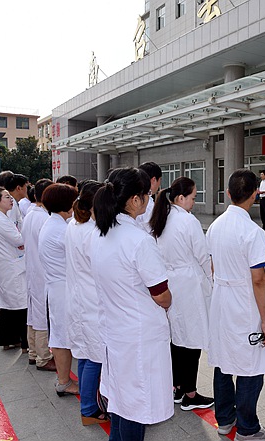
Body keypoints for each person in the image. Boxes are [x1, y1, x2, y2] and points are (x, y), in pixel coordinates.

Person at [90, 167, 173, 440]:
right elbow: (161, 294)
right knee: (135, 408)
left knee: (122, 403)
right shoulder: (138, 240)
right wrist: (169, 300)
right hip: (139, 336)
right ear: (136, 200)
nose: (150, 199)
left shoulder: (102, 234)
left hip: (116, 330)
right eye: (147, 194)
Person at [206, 169, 265, 441]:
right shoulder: (252, 232)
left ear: (228, 194)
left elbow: (213, 266)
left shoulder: (215, 226)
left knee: (223, 361)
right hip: (243, 302)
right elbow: (258, 279)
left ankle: (225, 420)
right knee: (251, 366)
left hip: (221, 300)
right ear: (255, 194)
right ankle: (248, 428)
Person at [150, 176, 214, 411]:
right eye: (193, 198)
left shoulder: (162, 218)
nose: (193, 203)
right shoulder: (188, 221)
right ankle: (190, 393)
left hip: (171, 281)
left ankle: (177, 387)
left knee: (176, 338)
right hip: (189, 283)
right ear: (180, 198)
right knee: (192, 340)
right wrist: (213, 282)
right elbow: (203, 256)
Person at [64, 180, 107, 425]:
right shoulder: (93, 232)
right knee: (95, 357)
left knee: (84, 353)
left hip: (78, 297)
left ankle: (87, 403)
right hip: (92, 300)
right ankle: (89, 408)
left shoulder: (74, 225)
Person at [39, 183, 80, 397]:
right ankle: (64, 382)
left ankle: (64, 380)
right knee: (63, 337)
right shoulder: (61, 230)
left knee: (61, 334)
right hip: (63, 289)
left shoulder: (54, 223)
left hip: (58, 287)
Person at [0, 188, 29, 351]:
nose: (10, 200)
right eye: (6, 197)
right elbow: (19, 240)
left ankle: (10, 339)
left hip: (8, 265)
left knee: (9, 304)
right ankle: (24, 342)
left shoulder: (0, 217)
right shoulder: (0, 220)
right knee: (19, 303)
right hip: (11, 267)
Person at [22, 179, 56, 371]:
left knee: (34, 313)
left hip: (32, 270)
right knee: (42, 314)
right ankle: (43, 356)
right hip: (43, 272)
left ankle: (33, 352)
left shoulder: (30, 215)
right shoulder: (44, 219)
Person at [136, 161, 162, 234]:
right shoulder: (148, 203)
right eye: (160, 180)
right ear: (154, 180)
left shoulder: (130, 198)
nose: (159, 184)